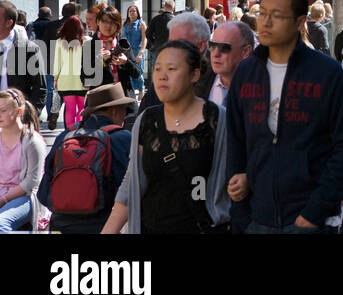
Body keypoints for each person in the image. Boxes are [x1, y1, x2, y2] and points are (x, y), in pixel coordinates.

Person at [225, 0, 343, 234]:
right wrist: (241, 214)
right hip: (257, 218)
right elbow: (235, 140)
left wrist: (315, 211)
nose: (265, 22)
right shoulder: (246, 71)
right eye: (262, 13)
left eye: (276, 16)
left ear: (300, 23)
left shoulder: (327, 73)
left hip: (309, 218)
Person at [100, 40, 230, 234]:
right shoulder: (146, 120)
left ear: (194, 74)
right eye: (158, 69)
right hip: (152, 227)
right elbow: (133, 180)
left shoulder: (218, 119)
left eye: (171, 69)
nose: (162, 76)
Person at [37, 83, 134, 233]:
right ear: (115, 111)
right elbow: (132, 191)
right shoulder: (124, 139)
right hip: (106, 226)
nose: (125, 115)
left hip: (61, 226)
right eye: (124, 110)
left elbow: (43, 194)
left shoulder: (64, 137)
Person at [0, 88, 45, 233]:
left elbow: (32, 182)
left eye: (3, 110)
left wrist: (4, 199)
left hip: (25, 197)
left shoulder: (32, 141)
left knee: (1, 224)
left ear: (19, 112)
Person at [206, 20, 256, 108]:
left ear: (245, 52)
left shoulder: (261, 88)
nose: (216, 54)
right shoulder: (200, 81)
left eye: (224, 47)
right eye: (212, 45)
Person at [53, 16, 88, 130]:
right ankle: (80, 132)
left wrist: (55, 78)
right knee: (82, 109)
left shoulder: (60, 42)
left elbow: (57, 62)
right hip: (83, 81)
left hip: (65, 81)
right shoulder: (88, 41)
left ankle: (70, 134)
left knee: (70, 109)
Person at [144, 0, 175, 75]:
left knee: (157, 72)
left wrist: (154, 43)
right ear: (173, 9)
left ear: (164, 7)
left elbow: (147, 34)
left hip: (157, 49)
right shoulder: (176, 20)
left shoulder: (156, 19)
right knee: (171, 72)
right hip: (171, 50)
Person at [121, 5, 146, 94]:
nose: (132, 13)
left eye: (134, 11)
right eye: (130, 11)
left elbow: (144, 39)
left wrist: (141, 52)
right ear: (128, 13)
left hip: (137, 50)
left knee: (138, 71)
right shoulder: (125, 24)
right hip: (126, 51)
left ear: (137, 13)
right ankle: (131, 90)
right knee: (129, 71)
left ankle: (141, 89)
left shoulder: (141, 24)